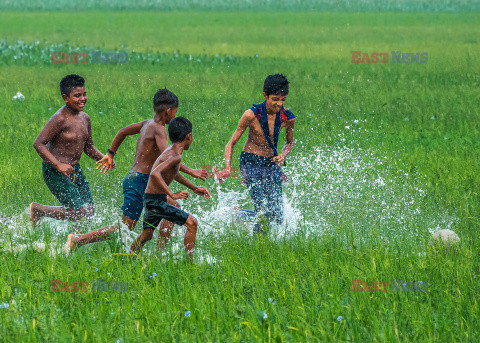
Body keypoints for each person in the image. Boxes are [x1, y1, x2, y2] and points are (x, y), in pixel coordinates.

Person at [64, 89, 207, 253]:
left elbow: (122, 132)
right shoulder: (159, 129)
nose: (175, 116)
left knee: (174, 205)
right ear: (168, 110)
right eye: (175, 112)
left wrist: (111, 153)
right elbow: (169, 159)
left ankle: (159, 252)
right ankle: (78, 240)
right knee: (125, 228)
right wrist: (192, 172)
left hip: (141, 181)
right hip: (139, 182)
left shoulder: (147, 123)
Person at [216, 74, 295, 233]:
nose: (279, 103)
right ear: (265, 95)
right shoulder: (251, 115)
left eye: (283, 99)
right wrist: (227, 168)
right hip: (250, 162)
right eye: (275, 99)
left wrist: (283, 156)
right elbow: (231, 143)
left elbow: (289, 143)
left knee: (278, 215)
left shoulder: (288, 117)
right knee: (263, 210)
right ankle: (257, 243)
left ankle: (238, 214)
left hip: (271, 164)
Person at [131, 117, 210, 260]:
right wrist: (172, 194)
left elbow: (173, 173)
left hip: (151, 199)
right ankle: (189, 264)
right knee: (192, 223)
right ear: (189, 136)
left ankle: (127, 259)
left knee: (146, 235)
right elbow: (155, 173)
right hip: (156, 201)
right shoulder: (175, 156)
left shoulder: (171, 151)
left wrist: (194, 188)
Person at [30, 74, 104, 227]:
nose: (83, 98)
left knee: (89, 210)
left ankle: (75, 238)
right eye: (77, 95)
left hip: (74, 170)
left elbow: (88, 147)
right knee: (79, 212)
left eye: (84, 94)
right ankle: (39, 210)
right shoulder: (60, 119)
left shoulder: (85, 118)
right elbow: (38, 143)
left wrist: (103, 158)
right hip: (55, 171)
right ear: (65, 98)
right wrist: (58, 165)